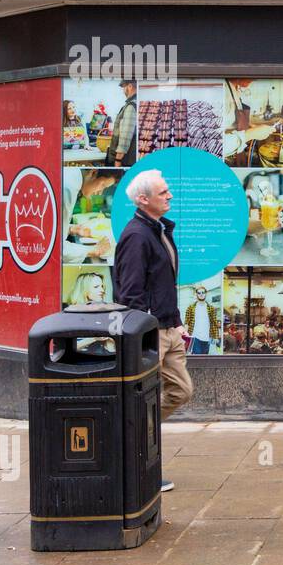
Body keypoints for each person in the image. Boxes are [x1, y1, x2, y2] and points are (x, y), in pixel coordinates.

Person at [113, 169, 190, 492]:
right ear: (143, 200)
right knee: (143, 400)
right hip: (151, 333)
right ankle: (137, 460)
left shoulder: (158, 230)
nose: (169, 195)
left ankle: (129, 438)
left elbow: (162, 283)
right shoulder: (136, 235)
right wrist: (143, 334)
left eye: (168, 190)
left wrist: (176, 320)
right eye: (163, 192)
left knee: (180, 391)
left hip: (169, 327)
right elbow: (130, 294)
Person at [105, 80, 138, 167]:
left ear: (130, 86)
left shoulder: (131, 106)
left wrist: (118, 160)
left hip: (125, 161)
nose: (123, 90)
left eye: (123, 87)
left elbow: (125, 137)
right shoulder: (136, 103)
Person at [184, 285, 219, 355]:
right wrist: (186, 336)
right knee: (197, 356)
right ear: (196, 294)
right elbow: (187, 322)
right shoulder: (191, 308)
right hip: (195, 337)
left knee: (204, 358)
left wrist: (215, 336)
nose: (201, 294)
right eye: (199, 293)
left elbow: (214, 323)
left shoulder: (211, 308)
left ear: (206, 293)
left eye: (203, 292)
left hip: (207, 338)